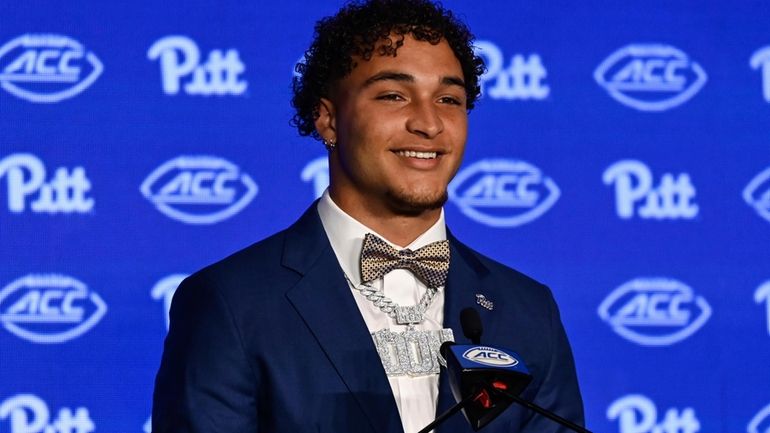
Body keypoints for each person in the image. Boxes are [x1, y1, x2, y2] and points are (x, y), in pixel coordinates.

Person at [152, 0, 584, 432]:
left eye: (449, 99)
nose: (429, 123)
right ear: (328, 120)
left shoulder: (529, 310)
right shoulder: (231, 303)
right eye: (394, 95)